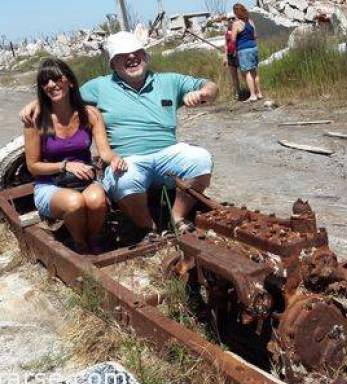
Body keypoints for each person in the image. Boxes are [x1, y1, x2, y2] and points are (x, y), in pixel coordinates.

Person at [21, 32, 218, 239]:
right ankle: (148, 228)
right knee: (124, 179)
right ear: (113, 64)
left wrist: (204, 93)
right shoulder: (99, 86)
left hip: (168, 153)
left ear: (146, 56)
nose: (132, 57)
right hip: (127, 159)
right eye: (123, 55)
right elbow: (64, 94)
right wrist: (37, 103)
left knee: (201, 159)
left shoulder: (169, 81)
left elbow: (210, 85)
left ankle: (176, 218)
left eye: (137, 52)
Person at [24, 58, 127, 254]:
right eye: (45, 82)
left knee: (96, 199)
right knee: (75, 202)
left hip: (84, 180)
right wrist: (64, 166)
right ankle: (79, 244)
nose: (51, 85)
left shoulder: (90, 114)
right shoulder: (35, 121)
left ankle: (93, 237)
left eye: (56, 79)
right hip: (50, 184)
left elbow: (104, 151)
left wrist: (114, 159)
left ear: (70, 81)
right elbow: (33, 166)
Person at [231, 3, 263, 102]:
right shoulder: (250, 21)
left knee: (247, 73)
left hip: (244, 50)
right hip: (254, 48)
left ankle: (252, 95)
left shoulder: (236, 23)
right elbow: (255, 35)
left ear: (236, 13)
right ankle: (259, 93)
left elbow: (233, 39)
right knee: (255, 72)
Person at [223, 14, 241, 100]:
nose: (231, 20)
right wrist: (225, 57)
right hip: (230, 56)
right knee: (234, 76)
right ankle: (237, 93)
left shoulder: (238, 29)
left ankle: (251, 91)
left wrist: (237, 51)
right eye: (229, 19)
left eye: (233, 18)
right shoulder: (227, 31)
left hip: (239, 54)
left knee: (245, 74)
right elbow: (226, 45)